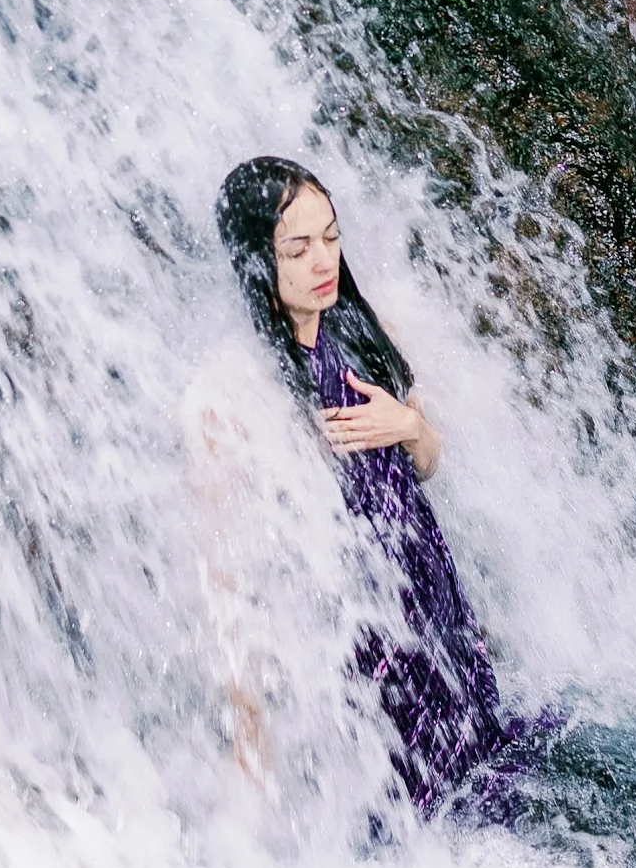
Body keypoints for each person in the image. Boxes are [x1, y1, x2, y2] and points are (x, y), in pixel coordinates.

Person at [202, 155, 529, 821]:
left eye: (331, 236)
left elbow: (428, 459)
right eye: (298, 246)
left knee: (489, 787)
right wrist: (250, 738)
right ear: (257, 259)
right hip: (353, 635)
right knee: (414, 817)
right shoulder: (238, 391)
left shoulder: (363, 331)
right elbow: (227, 582)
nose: (323, 259)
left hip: (433, 603)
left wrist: (406, 423)